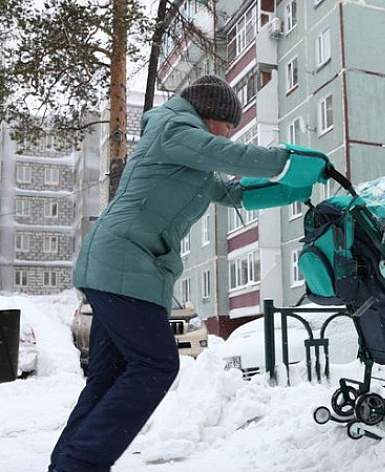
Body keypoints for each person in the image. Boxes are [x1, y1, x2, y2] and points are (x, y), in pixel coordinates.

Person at [49, 75, 325, 472]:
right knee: (156, 365)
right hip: (125, 263)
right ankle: (81, 464)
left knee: (109, 376)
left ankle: (68, 464)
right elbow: (227, 154)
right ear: (210, 116)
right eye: (230, 124)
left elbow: (232, 193)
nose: (231, 132)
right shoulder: (173, 129)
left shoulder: (186, 156)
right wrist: (289, 162)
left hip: (117, 265)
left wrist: (290, 190)